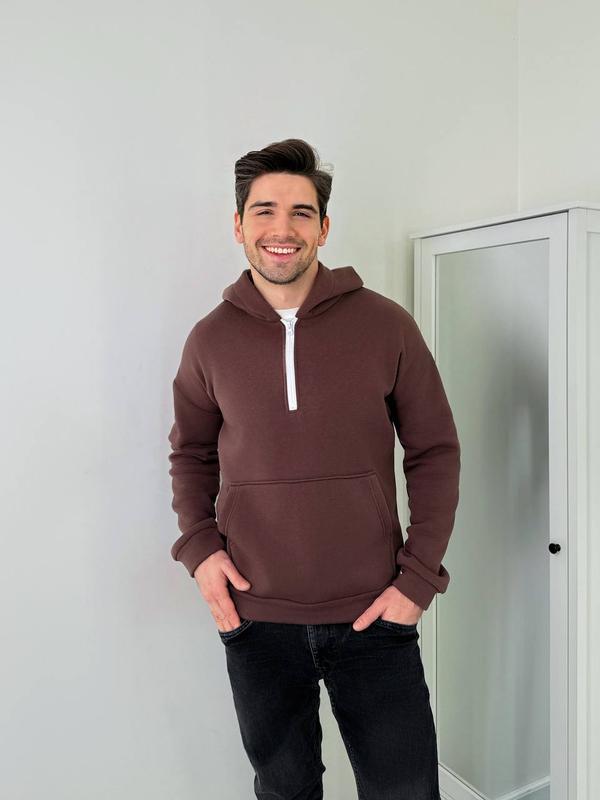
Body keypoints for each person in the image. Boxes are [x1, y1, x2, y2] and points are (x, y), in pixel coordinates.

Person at [167, 137, 461, 800]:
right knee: (285, 793)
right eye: (264, 210)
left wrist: (418, 578)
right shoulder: (209, 339)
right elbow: (191, 452)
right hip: (256, 616)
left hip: (376, 612)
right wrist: (200, 550)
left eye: (301, 212)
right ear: (238, 225)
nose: (283, 228)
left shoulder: (386, 325)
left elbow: (434, 450)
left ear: (323, 228)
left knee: (405, 791)